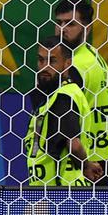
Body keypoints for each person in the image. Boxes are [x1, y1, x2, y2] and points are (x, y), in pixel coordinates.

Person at [53, 0, 108, 174]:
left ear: (87, 28)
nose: (62, 29)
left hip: (81, 162)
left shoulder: (74, 65)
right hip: (100, 155)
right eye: (59, 23)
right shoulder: (94, 56)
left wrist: (83, 163)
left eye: (70, 24)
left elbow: (65, 119)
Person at [26, 35, 93, 186]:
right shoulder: (53, 96)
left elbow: (74, 145)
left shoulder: (64, 97)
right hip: (49, 188)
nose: (45, 67)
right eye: (41, 60)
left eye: (52, 61)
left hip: (61, 191)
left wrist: (86, 166)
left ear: (67, 64)